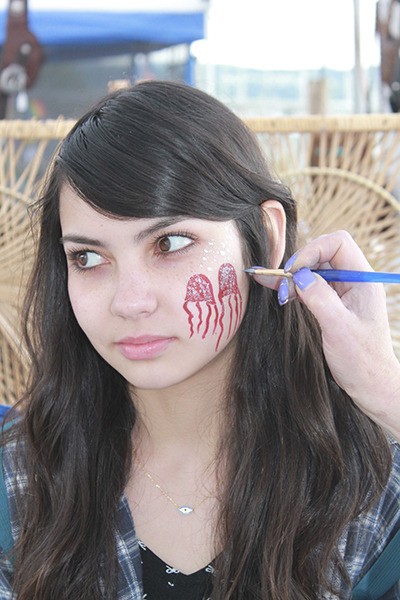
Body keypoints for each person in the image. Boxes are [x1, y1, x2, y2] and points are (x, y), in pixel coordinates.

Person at [0, 80, 399, 600]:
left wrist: (386, 393)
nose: (130, 301)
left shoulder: (370, 489)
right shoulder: (20, 480)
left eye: (169, 243)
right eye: (88, 257)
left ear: (267, 236)